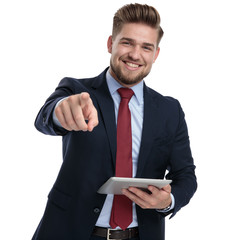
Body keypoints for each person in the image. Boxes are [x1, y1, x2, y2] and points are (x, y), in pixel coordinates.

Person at [32, 3, 197, 240]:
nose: (135, 55)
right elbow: (45, 118)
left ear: (156, 54)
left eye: (146, 47)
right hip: (70, 232)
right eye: (127, 42)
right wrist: (61, 110)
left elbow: (186, 174)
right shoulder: (77, 91)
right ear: (111, 43)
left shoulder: (170, 110)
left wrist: (167, 201)